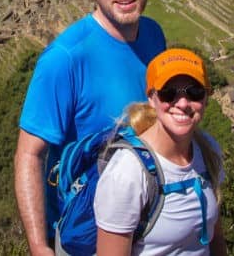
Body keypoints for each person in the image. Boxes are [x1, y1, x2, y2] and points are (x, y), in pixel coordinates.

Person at [15, 0, 167, 256]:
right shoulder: (65, 59)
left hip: (150, 225)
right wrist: (39, 245)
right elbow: (29, 155)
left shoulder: (154, 36)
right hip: (87, 238)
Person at [94, 48, 227, 256]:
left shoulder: (207, 150)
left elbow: (215, 237)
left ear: (206, 98)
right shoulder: (127, 173)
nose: (182, 103)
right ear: (151, 98)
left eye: (194, 92)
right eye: (169, 93)